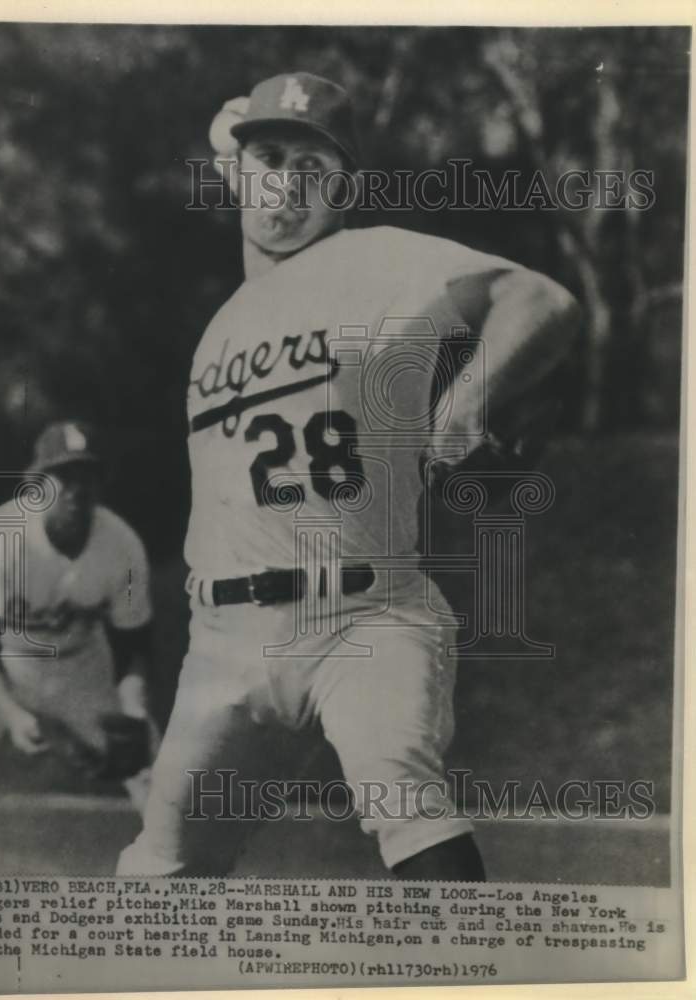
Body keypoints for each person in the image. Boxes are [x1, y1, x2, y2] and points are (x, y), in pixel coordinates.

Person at [118, 72, 580, 878]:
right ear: (235, 171)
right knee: (157, 872)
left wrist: (466, 402)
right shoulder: (223, 323)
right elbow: (235, 136)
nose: (289, 188)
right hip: (225, 640)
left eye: (315, 171)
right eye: (270, 162)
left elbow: (539, 300)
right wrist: (247, 138)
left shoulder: (375, 258)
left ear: (348, 192)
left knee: (404, 799)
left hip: (364, 618)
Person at [0, 420, 155, 810]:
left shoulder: (122, 545)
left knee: (149, 768)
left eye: (87, 475)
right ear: (36, 483)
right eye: (64, 475)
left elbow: (132, 642)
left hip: (81, 666)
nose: (77, 488)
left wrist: (134, 708)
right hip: (5, 663)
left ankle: (177, 869)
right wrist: (10, 712)